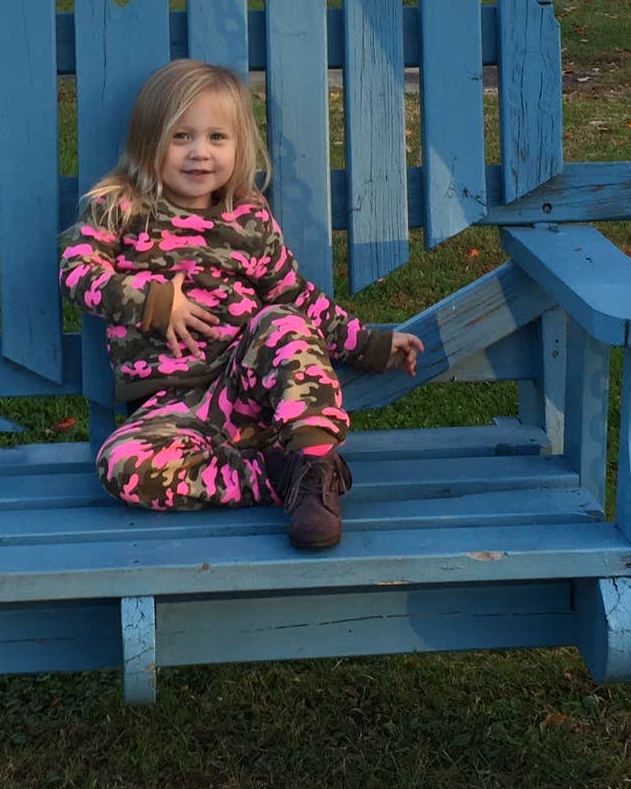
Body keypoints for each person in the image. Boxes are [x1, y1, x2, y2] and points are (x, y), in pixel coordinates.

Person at [59, 59, 423, 550]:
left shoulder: (248, 219)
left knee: (282, 322)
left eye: (216, 138)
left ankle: (314, 470)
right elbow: (78, 272)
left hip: (248, 391)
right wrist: (153, 302)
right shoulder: (123, 208)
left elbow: (297, 296)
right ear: (150, 142)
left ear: (239, 147)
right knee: (122, 465)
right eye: (181, 137)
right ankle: (275, 478)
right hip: (171, 409)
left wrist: (372, 345)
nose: (199, 154)